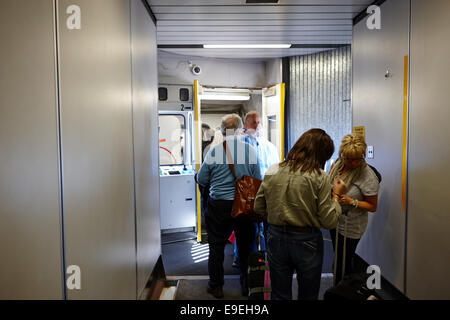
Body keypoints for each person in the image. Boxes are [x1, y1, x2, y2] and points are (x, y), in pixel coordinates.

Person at [254, 128, 346, 300]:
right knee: (308, 294)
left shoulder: (274, 169)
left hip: (275, 236)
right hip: (306, 240)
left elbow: (258, 207)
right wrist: (337, 196)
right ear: (321, 155)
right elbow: (329, 221)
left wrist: (277, 212)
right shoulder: (320, 177)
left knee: (279, 294)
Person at [197, 113, 262, 299]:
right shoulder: (250, 151)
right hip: (243, 206)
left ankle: (216, 286)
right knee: (246, 247)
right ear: (241, 129)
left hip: (219, 207)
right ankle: (246, 285)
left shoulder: (214, 151)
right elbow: (257, 179)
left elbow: (201, 179)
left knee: (216, 247)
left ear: (223, 131)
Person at [328, 134, 379, 285]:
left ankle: (343, 290)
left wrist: (353, 201)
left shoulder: (367, 175)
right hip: (334, 219)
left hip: (351, 225)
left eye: (357, 159)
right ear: (341, 155)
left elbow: (373, 206)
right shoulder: (337, 164)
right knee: (338, 258)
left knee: (344, 262)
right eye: (348, 159)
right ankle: (340, 287)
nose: (352, 163)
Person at [232, 111, 279, 267]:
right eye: (253, 122)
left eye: (259, 122)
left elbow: (276, 168)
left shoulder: (270, 147)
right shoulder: (239, 145)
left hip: (267, 192)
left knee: (267, 228)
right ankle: (242, 259)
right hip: (247, 194)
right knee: (247, 232)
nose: (257, 125)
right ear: (245, 124)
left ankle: (264, 260)